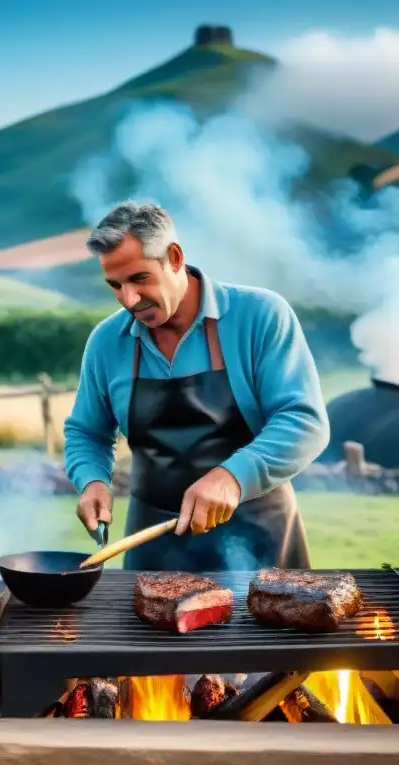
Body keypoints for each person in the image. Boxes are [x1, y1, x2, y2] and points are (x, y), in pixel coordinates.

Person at [62, 201, 330, 572]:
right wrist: (91, 480)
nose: (129, 300)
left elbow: (303, 421)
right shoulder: (108, 341)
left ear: (174, 258)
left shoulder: (260, 315)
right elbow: (86, 431)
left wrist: (233, 476)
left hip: (258, 533)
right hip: (152, 540)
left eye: (139, 278)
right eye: (115, 285)